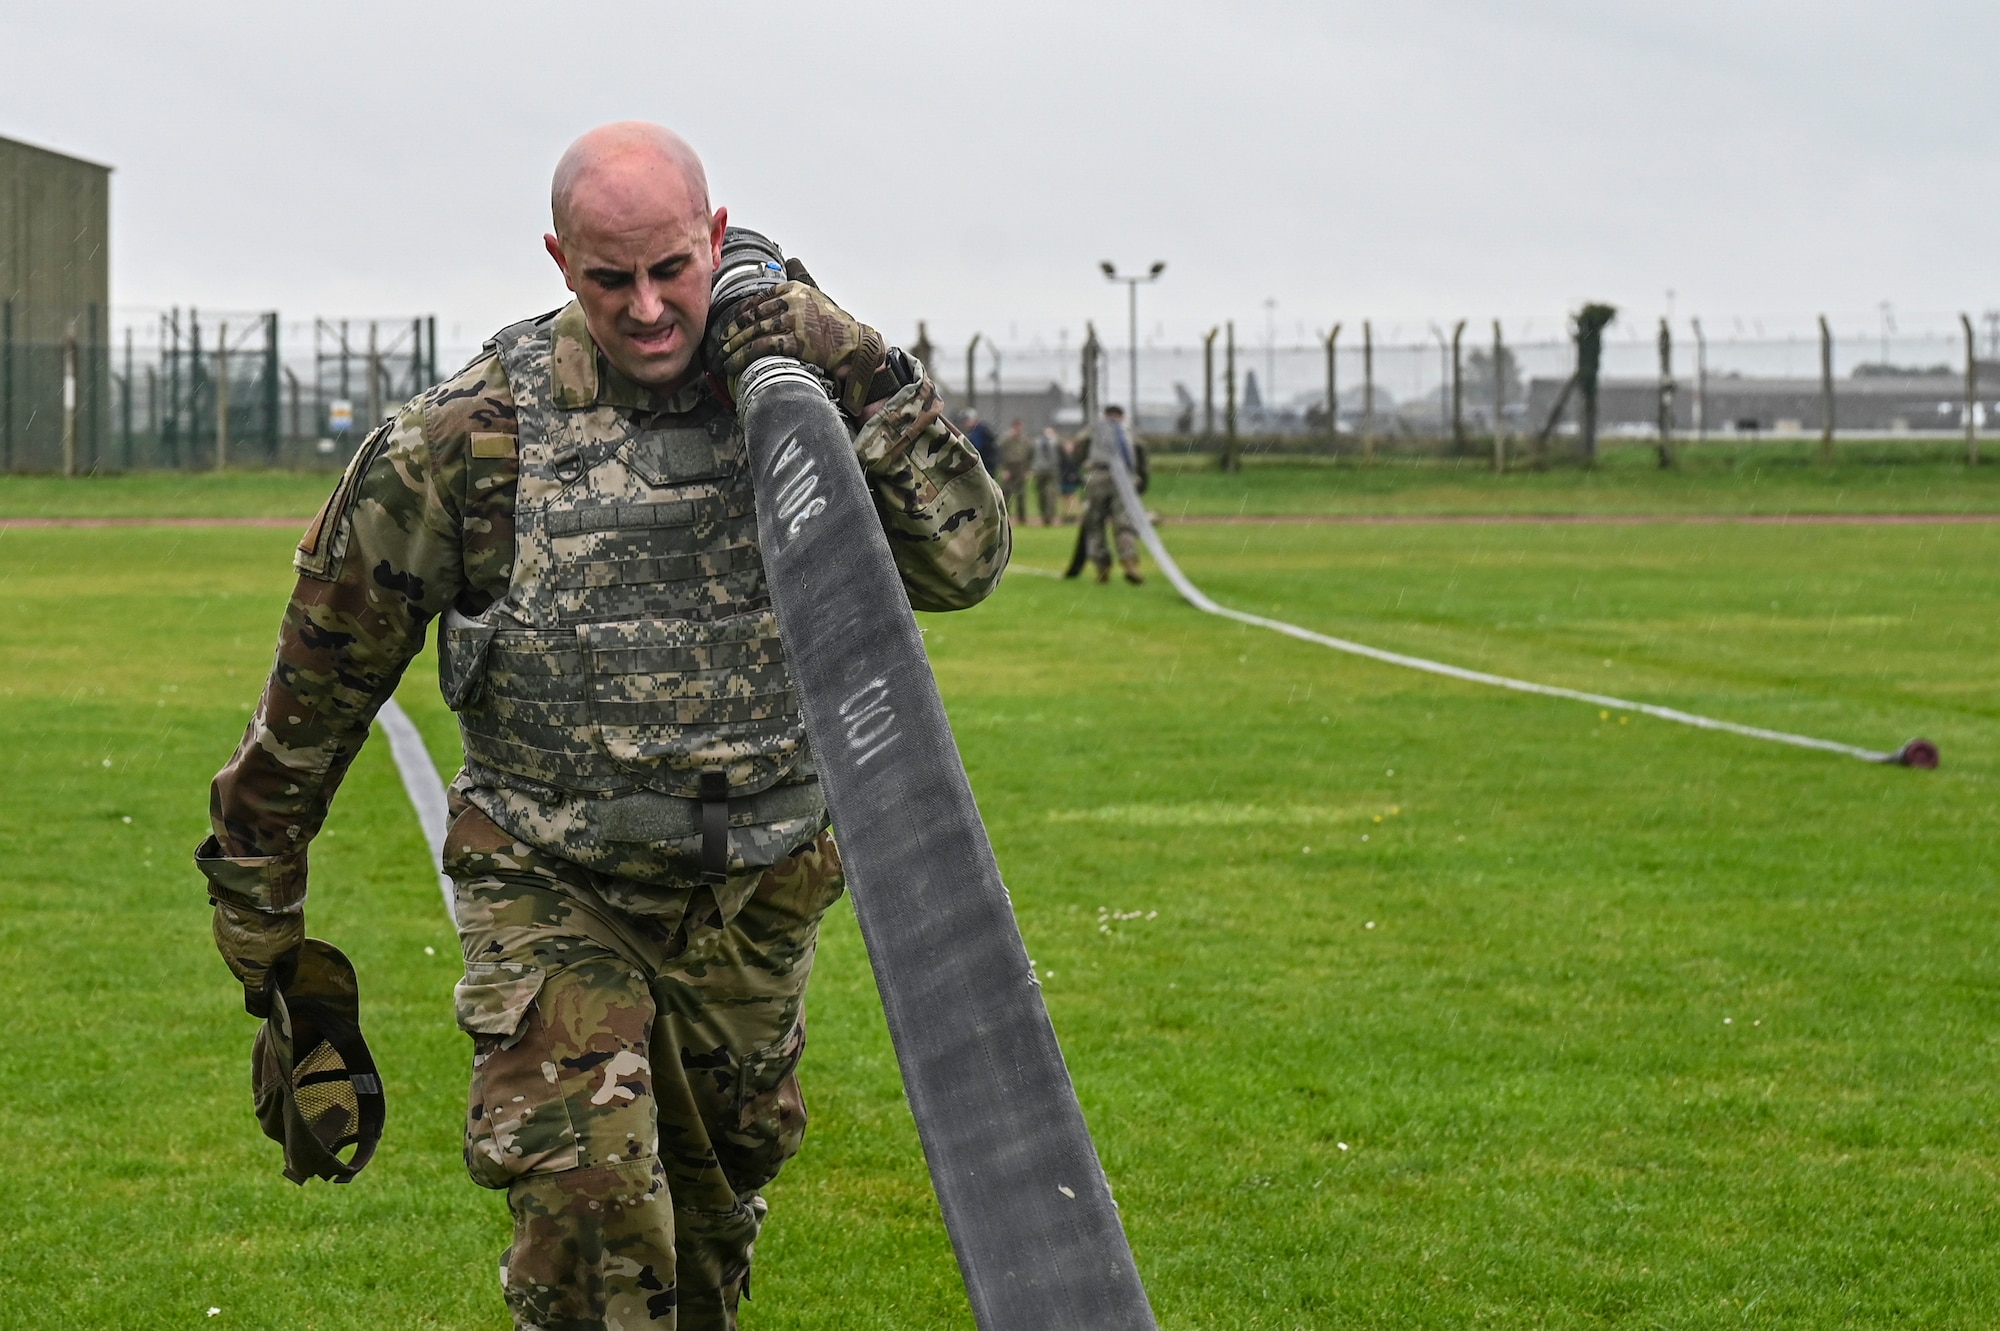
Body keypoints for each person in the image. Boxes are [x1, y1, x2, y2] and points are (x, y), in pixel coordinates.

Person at [195, 121, 1008, 1331]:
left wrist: (852, 360)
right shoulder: (466, 441)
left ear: (717, 238)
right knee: (593, 1215)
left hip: (754, 898)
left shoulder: (797, 403)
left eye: (672, 269)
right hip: (551, 886)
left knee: (709, 1232)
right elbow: (316, 691)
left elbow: (962, 561)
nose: (646, 308)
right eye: (609, 277)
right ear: (557, 260)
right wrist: (268, 940)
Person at [1073, 403, 1145, 585]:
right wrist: (1141, 479)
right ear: (1122, 415)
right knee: (1124, 522)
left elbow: (1078, 448)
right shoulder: (1127, 430)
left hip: (1098, 476)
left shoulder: (1094, 429)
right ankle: (1130, 564)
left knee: (1095, 524)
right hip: (1123, 479)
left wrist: (1078, 471)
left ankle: (1101, 567)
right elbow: (1141, 452)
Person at [996, 418, 1033, 521]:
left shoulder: (1026, 441)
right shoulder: (1006, 440)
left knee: (1021, 494)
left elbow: (1030, 456)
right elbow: (1000, 455)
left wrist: (1028, 470)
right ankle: (1005, 516)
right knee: (1006, 493)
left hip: (1021, 467)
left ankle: (1022, 518)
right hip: (1009, 467)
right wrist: (1004, 469)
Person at [1030, 425, 1063, 526]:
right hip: (1039, 471)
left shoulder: (1056, 443)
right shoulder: (1036, 443)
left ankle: (1050, 516)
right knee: (1041, 495)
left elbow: (1063, 456)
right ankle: (1044, 515)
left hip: (1052, 471)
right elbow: (1030, 455)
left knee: (1050, 494)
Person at [963, 409, 998, 477]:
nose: (966, 423)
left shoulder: (978, 431)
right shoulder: (982, 429)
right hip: (988, 463)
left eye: (967, 420)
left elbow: (975, 448)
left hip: (985, 464)